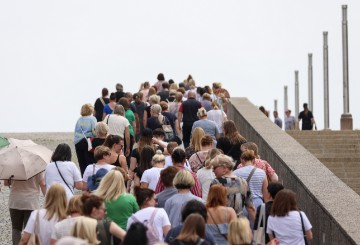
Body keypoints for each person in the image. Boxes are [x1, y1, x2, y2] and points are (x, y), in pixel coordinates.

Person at [5, 172, 46, 245]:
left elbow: (6, 183)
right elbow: (42, 184)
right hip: (31, 202)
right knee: (30, 230)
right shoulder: (36, 167)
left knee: (16, 228)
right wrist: (48, 198)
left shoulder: (13, 166)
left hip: (15, 202)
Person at [233, 150, 269, 226]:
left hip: (241, 204)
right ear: (253, 160)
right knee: (257, 231)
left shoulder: (235, 173)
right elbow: (266, 195)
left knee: (243, 230)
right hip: (258, 203)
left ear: (242, 160)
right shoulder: (262, 173)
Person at [74, 103, 97, 172]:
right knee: (90, 163)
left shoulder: (79, 120)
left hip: (77, 142)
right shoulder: (92, 119)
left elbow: (76, 131)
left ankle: (83, 178)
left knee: (82, 163)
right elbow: (95, 131)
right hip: (88, 142)